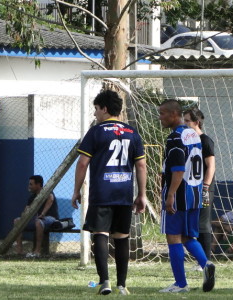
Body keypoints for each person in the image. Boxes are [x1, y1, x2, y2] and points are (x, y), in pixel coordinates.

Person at [71, 90, 147, 296]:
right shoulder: (132, 132)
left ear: (104, 109)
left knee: (101, 234)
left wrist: (76, 190)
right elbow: (141, 166)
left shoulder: (96, 131)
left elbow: (82, 162)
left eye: (96, 109)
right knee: (122, 236)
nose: (95, 114)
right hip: (123, 192)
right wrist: (142, 194)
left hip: (102, 192)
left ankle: (105, 282)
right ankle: (122, 285)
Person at [157, 99, 215, 293]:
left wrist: (170, 194)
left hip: (180, 194)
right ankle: (206, 264)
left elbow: (178, 170)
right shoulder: (194, 135)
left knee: (173, 238)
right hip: (195, 194)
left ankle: (180, 284)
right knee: (187, 236)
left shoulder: (175, 137)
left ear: (174, 114)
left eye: (163, 113)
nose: (160, 118)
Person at [183, 107, 216, 266]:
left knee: (203, 222)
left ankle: (205, 261)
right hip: (190, 187)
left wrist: (205, 187)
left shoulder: (206, 141)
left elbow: (211, 166)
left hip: (204, 189)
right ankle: (198, 258)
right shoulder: (187, 141)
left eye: (188, 120)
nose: (185, 123)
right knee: (190, 222)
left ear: (197, 122)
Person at [14, 175, 59, 258]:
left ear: (38, 185)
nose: (29, 186)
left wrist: (43, 214)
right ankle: (19, 250)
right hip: (38, 219)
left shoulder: (47, 192)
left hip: (50, 219)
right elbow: (26, 210)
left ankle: (37, 251)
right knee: (17, 221)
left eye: (31, 184)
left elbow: (51, 199)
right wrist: (24, 216)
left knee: (38, 222)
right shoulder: (32, 197)